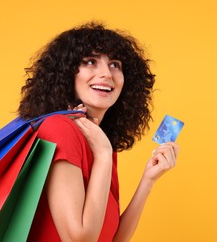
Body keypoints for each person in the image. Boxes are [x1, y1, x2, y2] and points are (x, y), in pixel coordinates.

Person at [18, 22, 180, 241]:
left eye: (115, 64)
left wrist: (148, 181)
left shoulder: (99, 142)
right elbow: (80, 240)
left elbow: (113, 239)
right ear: (67, 74)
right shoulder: (59, 129)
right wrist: (103, 155)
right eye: (91, 62)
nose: (106, 74)